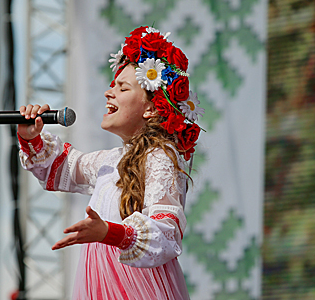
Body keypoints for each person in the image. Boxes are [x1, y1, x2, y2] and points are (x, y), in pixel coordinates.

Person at [17, 26, 204, 300]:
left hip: (139, 291)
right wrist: (30, 137)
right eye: (112, 84)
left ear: (151, 108)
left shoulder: (160, 157)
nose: (109, 92)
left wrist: (109, 232)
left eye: (122, 87)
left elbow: (166, 236)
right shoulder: (111, 161)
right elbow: (61, 168)